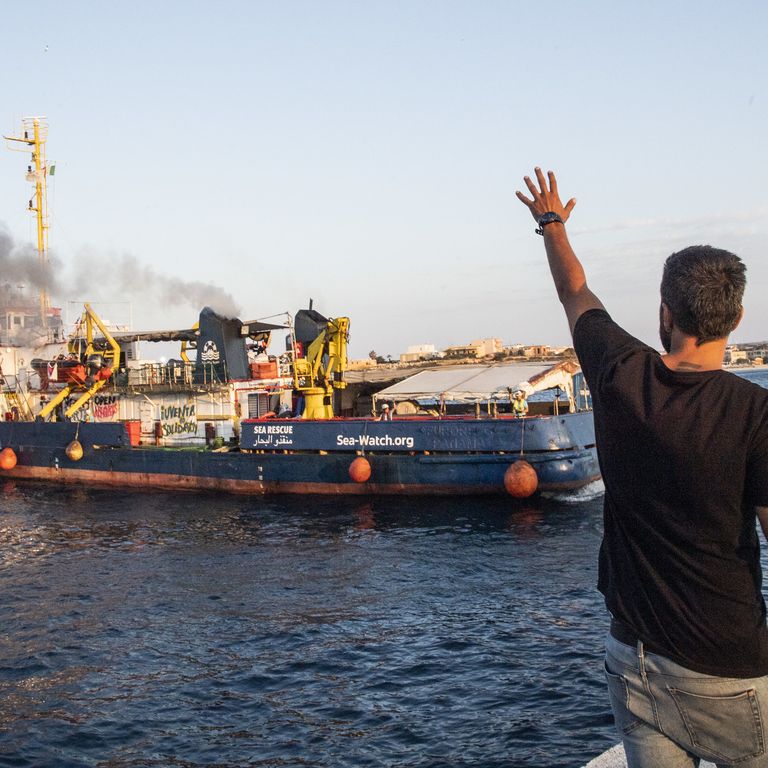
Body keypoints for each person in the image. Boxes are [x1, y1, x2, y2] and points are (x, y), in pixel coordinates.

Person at [517, 167, 768, 767]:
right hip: (727, 669)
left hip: (635, 660)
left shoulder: (618, 372)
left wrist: (552, 224)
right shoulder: (755, 413)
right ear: (735, 320)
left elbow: (574, 292)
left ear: (665, 313)